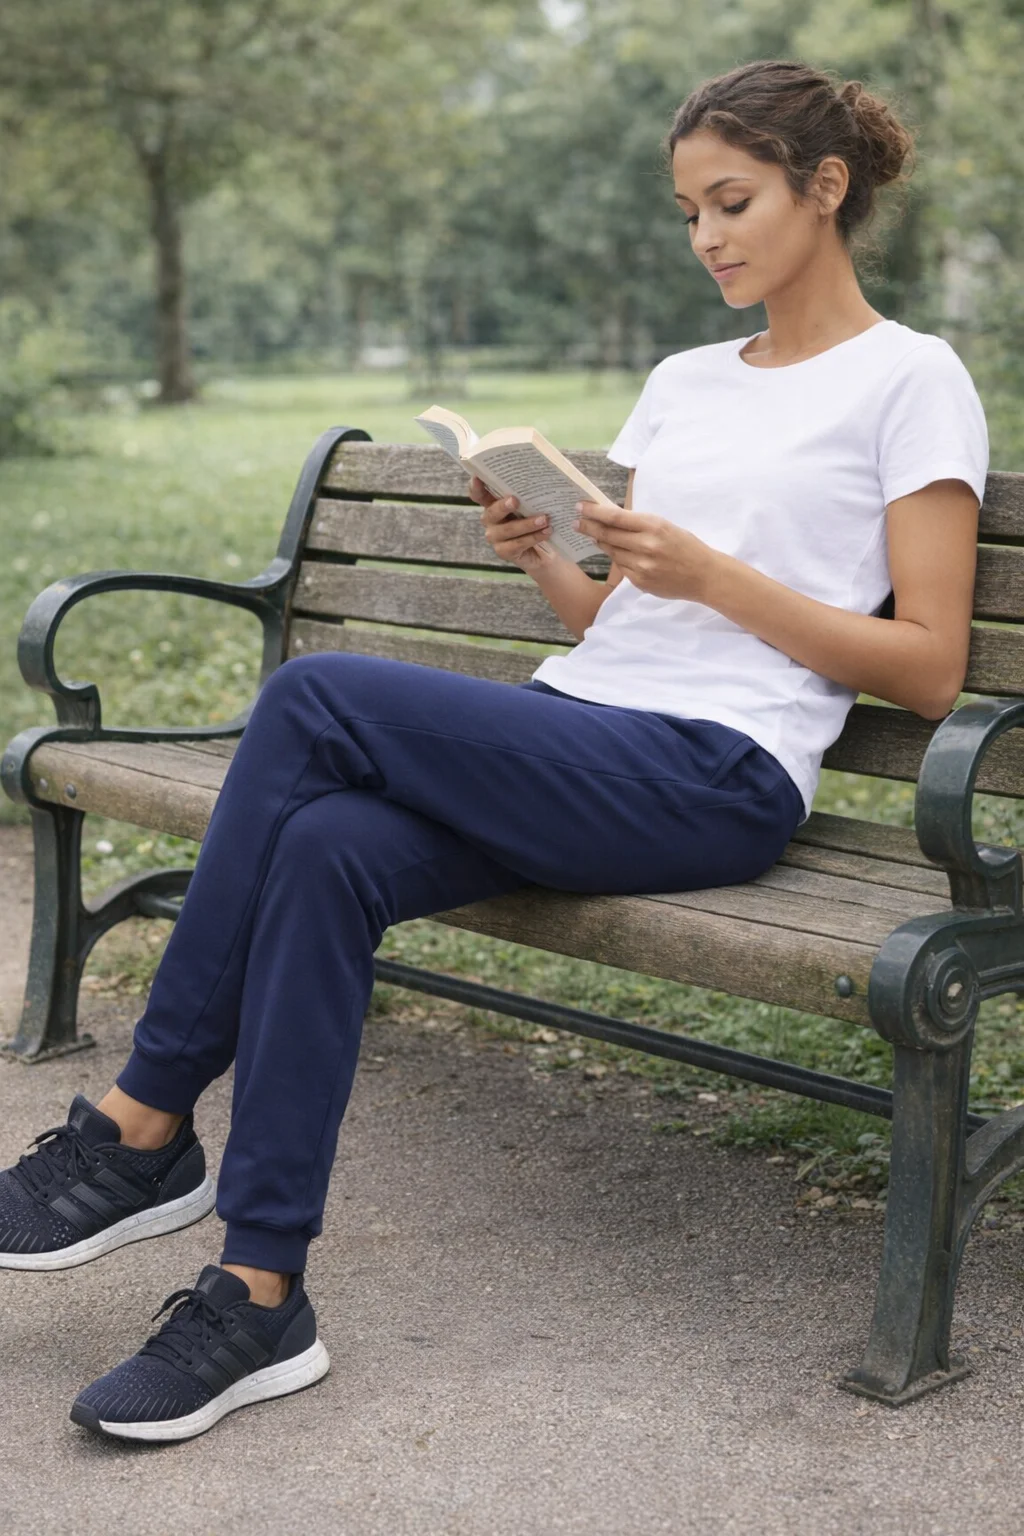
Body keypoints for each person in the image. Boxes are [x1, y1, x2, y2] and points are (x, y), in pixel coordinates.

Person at [0, 57, 989, 1444]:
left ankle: (140, 1124)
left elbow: (933, 665)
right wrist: (552, 562)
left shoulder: (912, 379)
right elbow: (620, 620)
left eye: (733, 201)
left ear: (827, 189)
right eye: (687, 210)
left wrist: (712, 578)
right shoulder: (689, 379)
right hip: (594, 727)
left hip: (718, 776)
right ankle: (259, 1288)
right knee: (332, 848)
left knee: (315, 699)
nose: (706, 236)